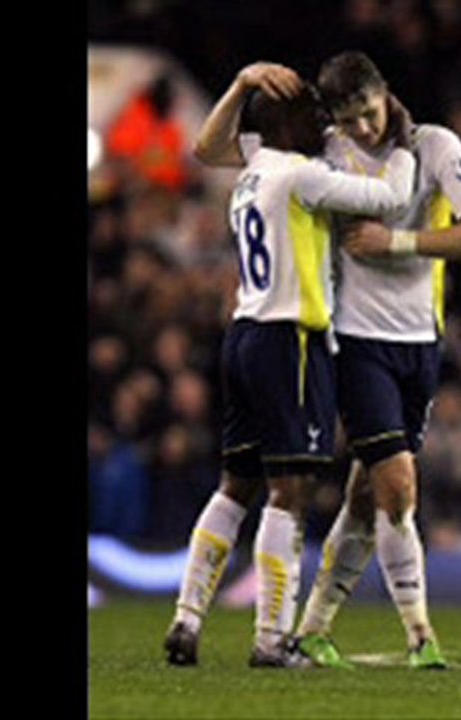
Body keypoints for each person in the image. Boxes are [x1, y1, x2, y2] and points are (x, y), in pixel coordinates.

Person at [163, 65, 418, 668]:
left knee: (235, 485)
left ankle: (186, 617)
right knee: (291, 490)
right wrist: (402, 139)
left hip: (244, 336)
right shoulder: (301, 176)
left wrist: (242, 83)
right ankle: (273, 640)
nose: (322, 118)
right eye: (310, 110)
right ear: (283, 125)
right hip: (290, 341)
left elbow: (205, 147)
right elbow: (391, 198)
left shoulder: (253, 174)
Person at [290, 51, 461, 670]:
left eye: (370, 113)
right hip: (356, 339)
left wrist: (399, 241)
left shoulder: (434, 146)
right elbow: (223, 152)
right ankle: (421, 636)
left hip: (420, 342)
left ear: (386, 93)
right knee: (398, 484)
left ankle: (312, 630)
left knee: (364, 494)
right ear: (333, 117)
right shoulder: (325, 154)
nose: (363, 129)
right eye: (349, 120)